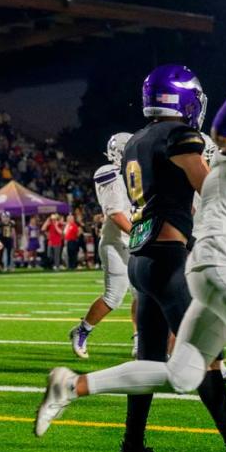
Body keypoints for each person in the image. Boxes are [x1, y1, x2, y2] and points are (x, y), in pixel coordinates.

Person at [37, 61, 226, 452]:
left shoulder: (136, 139)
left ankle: (132, 449)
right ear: (184, 97)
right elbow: (209, 188)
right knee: (206, 360)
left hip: (142, 258)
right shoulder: (180, 135)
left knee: (150, 359)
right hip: (169, 259)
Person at [70, 132, 138, 360]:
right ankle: (82, 330)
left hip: (137, 240)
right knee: (113, 297)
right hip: (117, 242)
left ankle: (140, 340)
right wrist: (139, 234)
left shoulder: (136, 173)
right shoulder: (109, 174)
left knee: (143, 295)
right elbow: (116, 213)